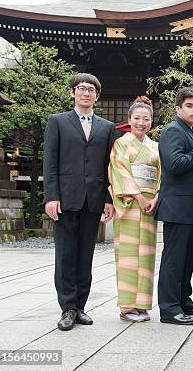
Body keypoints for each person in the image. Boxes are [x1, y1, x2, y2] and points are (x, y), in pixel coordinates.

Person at [43, 73, 117, 331]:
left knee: (85, 255)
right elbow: (50, 163)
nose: (86, 93)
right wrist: (51, 196)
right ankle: (67, 308)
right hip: (65, 197)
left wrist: (109, 199)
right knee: (65, 254)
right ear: (72, 92)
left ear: (97, 96)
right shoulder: (58, 122)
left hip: (93, 199)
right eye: (81, 89)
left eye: (91, 90)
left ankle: (81, 306)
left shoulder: (107, 128)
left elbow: (109, 167)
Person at [155, 87, 193, 325]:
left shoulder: (189, 131)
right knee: (174, 259)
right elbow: (175, 163)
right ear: (178, 108)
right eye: (189, 106)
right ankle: (169, 309)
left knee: (188, 259)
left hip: (192, 207)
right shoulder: (172, 131)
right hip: (177, 207)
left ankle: (183, 301)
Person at [108, 96, 160, 322]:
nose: (141, 122)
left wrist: (156, 197)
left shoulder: (155, 147)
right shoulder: (121, 143)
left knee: (147, 255)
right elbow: (119, 171)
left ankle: (142, 305)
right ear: (129, 120)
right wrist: (139, 197)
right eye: (137, 118)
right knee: (129, 254)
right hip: (130, 203)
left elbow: (160, 175)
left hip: (150, 205)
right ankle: (127, 305)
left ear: (151, 122)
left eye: (146, 119)